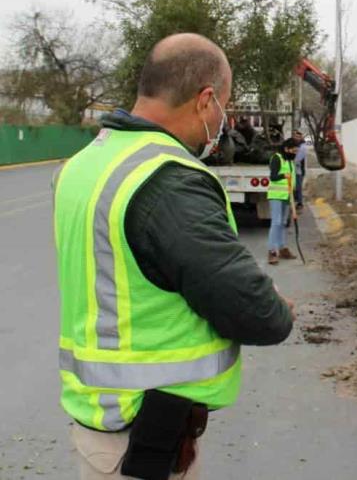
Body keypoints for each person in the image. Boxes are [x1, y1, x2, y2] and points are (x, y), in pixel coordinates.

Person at [52, 33, 295, 479]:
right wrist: (275, 303)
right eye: (223, 106)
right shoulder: (168, 179)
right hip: (142, 440)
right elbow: (259, 314)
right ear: (205, 101)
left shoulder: (83, 164)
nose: (222, 120)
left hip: (102, 422)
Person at [267, 138, 299, 264]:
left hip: (287, 196)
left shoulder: (290, 161)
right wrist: (284, 176)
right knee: (276, 222)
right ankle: (272, 251)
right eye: (293, 150)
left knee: (283, 223)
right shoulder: (277, 158)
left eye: (296, 151)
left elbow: (293, 179)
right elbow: (273, 176)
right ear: (286, 149)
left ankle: (282, 248)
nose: (295, 153)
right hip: (276, 195)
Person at [292, 129, 308, 210]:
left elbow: (297, 159)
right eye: (295, 136)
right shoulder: (297, 146)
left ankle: (300, 203)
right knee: (296, 186)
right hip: (296, 170)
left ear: (301, 137)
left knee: (298, 187)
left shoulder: (303, 147)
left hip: (299, 171)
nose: (296, 138)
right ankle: (296, 200)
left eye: (298, 136)